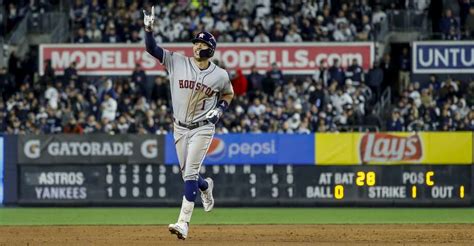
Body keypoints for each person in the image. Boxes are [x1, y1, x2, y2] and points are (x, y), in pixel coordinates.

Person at [143, 7, 234, 240]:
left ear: (210, 49)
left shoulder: (220, 75)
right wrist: (148, 29)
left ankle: (183, 223)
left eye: (201, 45)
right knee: (189, 177)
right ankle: (206, 187)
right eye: (195, 43)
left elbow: (228, 94)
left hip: (203, 127)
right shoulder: (177, 61)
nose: (196, 47)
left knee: (190, 173)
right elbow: (151, 48)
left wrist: (220, 110)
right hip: (180, 127)